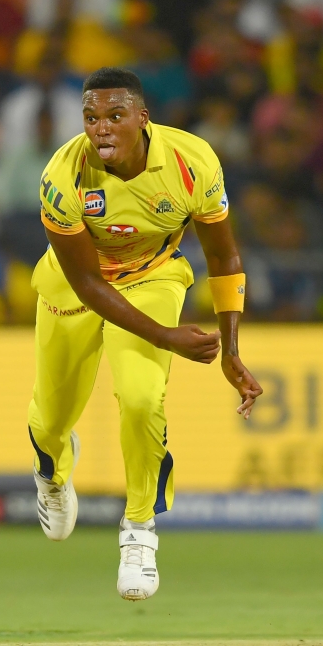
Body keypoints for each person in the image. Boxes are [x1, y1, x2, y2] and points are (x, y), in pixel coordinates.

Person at [29, 67, 262, 601]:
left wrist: (231, 350)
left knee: (140, 399)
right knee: (51, 417)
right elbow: (88, 283)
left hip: (152, 279)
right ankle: (53, 473)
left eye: (114, 116)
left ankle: (138, 529)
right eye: (91, 118)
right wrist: (166, 336)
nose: (101, 128)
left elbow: (224, 257)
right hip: (74, 288)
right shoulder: (62, 178)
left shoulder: (192, 162)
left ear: (142, 118)